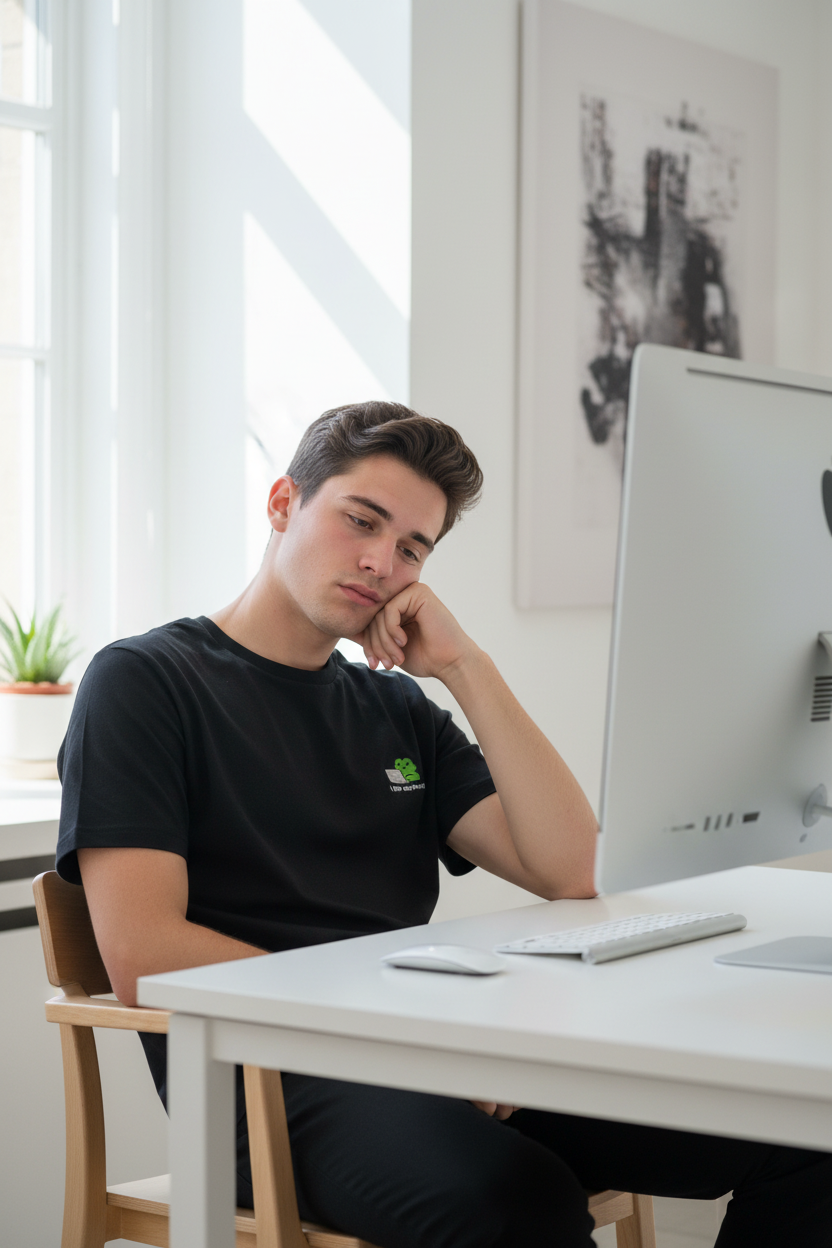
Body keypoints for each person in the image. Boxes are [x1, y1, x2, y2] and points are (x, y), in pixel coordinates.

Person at [56, 402, 831, 1248]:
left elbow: (571, 868)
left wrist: (466, 666)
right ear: (284, 504)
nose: (380, 563)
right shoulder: (143, 682)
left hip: (428, 1056)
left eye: (412, 549)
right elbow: (144, 955)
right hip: (269, 1082)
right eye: (362, 521)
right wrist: (409, 1038)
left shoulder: (394, 706)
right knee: (516, 1199)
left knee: (805, 1131)